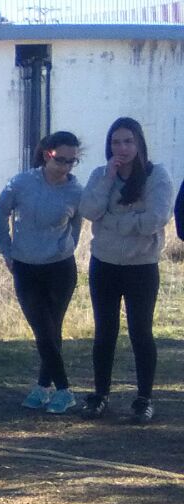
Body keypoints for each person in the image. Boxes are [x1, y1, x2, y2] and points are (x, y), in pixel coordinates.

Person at [77, 117, 173, 423]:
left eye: (128, 141)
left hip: (141, 266)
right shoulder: (100, 174)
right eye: (116, 142)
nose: (122, 148)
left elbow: (155, 219)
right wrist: (108, 178)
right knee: (104, 332)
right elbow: (88, 210)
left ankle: (143, 398)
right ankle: (100, 395)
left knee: (140, 331)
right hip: (104, 264)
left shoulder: (156, 176)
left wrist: (114, 221)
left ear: (139, 143)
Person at [0, 131, 84, 413]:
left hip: (60, 268)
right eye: (61, 160)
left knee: (52, 329)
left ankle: (46, 386)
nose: (66, 167)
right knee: (42, 330)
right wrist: (7, 250)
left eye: (72, 161)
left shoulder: (76, 191)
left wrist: (65, 248)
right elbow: (0, 213)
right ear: (48, 154)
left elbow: (77, 226)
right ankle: (63, 389)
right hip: (25, 267)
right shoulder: (21, 183)